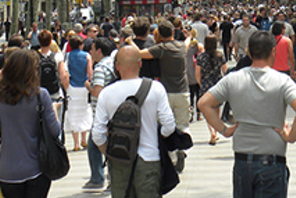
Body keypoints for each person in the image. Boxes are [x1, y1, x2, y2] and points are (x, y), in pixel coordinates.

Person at [198, 30, 296, 198]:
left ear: (249, 52)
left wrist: (224, 129)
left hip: (242, 162)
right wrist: (291, 136)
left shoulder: (233, 79)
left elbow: (203, 104)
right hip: (272, 160)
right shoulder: (283, 81)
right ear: (273, 51)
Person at [92, 46, 175, 198]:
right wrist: (158, 138)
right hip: (149, 159)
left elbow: (97, 135)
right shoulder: (155, 88)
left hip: (119, 162)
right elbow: (169, 125)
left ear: (117, 66)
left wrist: (109, 153)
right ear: (140, 63)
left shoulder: (106, 93)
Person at [0, 49, 60, 198]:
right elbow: (55, 131)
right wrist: (55, 110)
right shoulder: (40, 95)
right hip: (37, 168)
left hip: (7, 172)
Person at [131, 19, 189, 172]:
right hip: (183, 91)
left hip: (166, 92)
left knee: (166, 125)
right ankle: (181, 148)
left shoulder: (161, 49)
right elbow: (189, 42)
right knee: (182, 124)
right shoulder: (182, 47)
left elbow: (139, 54)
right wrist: (189, 36)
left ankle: (172, 154)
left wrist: (130, 42)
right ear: (172, 32)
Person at [82, 38, 117, 191]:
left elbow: (98, 91)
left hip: (102, 116)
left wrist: (88, 85)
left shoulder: (100, 68)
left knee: (97, 146)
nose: (90, 51)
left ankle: (100, 178)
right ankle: (101, 177)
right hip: (112, 113)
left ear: (99, 51)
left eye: (93, 48)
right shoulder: (113, 64)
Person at [196, 35, 227, 144]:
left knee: (207, 110)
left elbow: (197, 74)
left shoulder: (200, 57)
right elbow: (225, 70)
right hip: (217, 85)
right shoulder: (220, 56)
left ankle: (211, 132)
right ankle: (216, 131)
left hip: (206, 85)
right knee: (217, 110)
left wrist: (201, 84)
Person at [64, 34, 93, 151]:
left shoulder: (67, 56)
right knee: (84, 111)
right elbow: (90, 72)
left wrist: (66, 86)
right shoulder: (87, 56)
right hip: (84, 86)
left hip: (72, 86)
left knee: (73, 112)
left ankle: (76, 143)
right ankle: (84, 139)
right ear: (81, 45)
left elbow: (65, 73)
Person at [37, 30, 69, 121]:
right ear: (51, 41)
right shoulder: (58, 56)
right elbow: (62, 76)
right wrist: (66, 90)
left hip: (39, 95)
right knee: (57, 122)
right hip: (55, 94)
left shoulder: (34, 57)